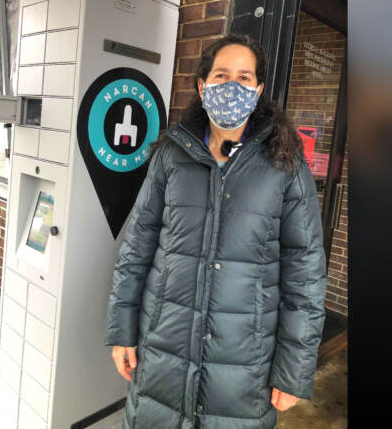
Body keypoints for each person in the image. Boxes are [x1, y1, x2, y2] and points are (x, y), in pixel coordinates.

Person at [104, 34, 327, 428]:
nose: (232, 87)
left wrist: (294, 368)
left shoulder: (286, 165)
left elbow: (305, 274)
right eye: (222, 75)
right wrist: (121, 329)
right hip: (162, 354)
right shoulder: (172, 154)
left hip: (245, 368)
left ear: (258, 90)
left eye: (244, 78)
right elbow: (137, 247)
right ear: (202, 85)